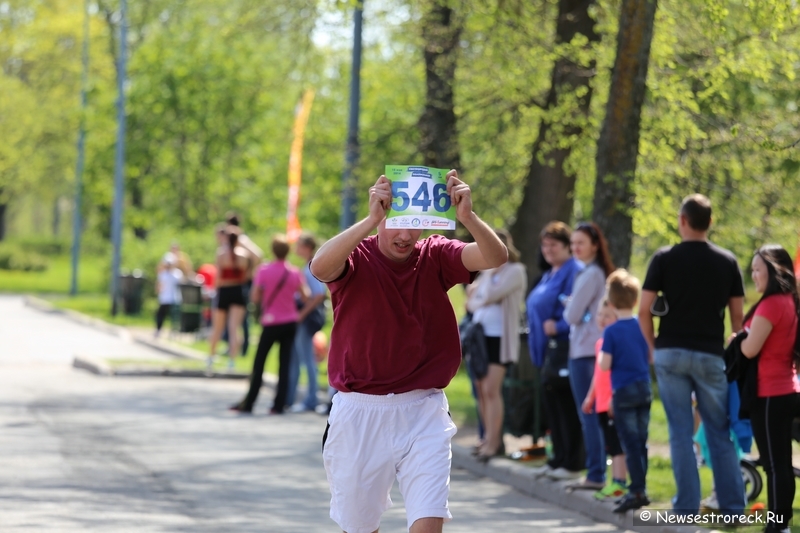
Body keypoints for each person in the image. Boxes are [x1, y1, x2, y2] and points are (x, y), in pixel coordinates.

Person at [311, 170, 507, 533]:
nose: (404, 235)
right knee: (358, 527)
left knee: (429, 522)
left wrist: (468, 218)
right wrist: (370, 219)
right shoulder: (357, 256)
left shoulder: (435, 254)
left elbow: (495, 256)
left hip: (423, 409)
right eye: (395, 224)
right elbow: (320, 268)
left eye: (413, 225)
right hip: (359, 411)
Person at [639, 194, 746, 515]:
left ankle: (685, 507)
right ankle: (732, 507)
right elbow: (738, 322)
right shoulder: (727, 261)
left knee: (680, 433)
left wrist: (653, 349)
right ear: (710, 222)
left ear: (682, 220)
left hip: (670, 352)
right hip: (710, 354)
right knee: (717, 430)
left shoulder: (663, 257)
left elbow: (644, 309)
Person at [736, 245, 800, 531]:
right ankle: (781, 524)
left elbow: (750, 350)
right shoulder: (790, 301)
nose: (754, 275)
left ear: (774, 271)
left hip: (771, 392)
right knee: (781, 464)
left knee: (775, 465)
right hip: (785, 389)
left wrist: (738, 340)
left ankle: (777, 525)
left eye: (757, 269)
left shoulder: (772, 303)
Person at [526, 221, 584, 481]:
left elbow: (579, 309)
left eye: (554, 245)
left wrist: (558, 325)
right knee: (553, 407)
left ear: (567, 246)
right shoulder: (550, 272)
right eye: (544, 244)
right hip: (545, 352)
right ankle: (557, 457)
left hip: (564, 348)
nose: (548, 250)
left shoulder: (573, 271)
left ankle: (572, 462)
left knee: (566, 406)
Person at [465, 229, 527, 462]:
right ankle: (487, 438)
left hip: (500, 339)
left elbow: (488, 295)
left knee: (492, 390)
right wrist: (476, 297)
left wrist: (489, 273)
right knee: (480, 389)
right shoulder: (485, 273)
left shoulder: (515, 271)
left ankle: (494, 442)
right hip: (480, 338)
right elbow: (470, 305)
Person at [562, 222, 615, 490]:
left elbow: (572, 316)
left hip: (584, 350)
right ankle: (600, 470)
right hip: (592, 348)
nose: (575, 248)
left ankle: (595, 473)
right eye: (572, 243)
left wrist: (570, 306)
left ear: (595, 244)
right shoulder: (596, 273)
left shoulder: (590, 274)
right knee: (595, 412)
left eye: (580, 242)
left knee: (590, 412)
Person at [230, 234, 308, 415]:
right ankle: (278, 405)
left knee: (259, 364)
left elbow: (254, 297)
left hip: (271, 321)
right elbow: (305, 296)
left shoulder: (264, 270)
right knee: (284, 364)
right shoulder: (294, 272)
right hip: (290, 321)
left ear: (273, 251)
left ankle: (250, 402)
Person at [599, 269, 652, 513]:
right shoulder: (642, 326)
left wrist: (601, 355)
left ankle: (637, 490)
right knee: (642, 440)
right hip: (644, 388)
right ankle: (642, 486)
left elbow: (605, 364)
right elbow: (649, 356)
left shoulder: (611, 331)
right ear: (635, 299)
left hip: (623, 390)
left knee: (629, 443)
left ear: (610, 301)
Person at [582, 299, 628, 501]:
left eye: (607, 316)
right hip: (600, 402)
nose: (602, 319)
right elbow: (597, 374)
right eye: (599, 315)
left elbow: (617, 374)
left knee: (617, 445)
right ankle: (614, 482)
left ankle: (620, 483)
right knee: (610, 445)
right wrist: (590, 396)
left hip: (611, 403)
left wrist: (614, 398)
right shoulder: (600, 342)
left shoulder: (616, 341)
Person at [287, 232, 328, 412]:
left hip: (307, 318)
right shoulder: (310, 265)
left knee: (308, 359)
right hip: (306, 317)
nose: (296, 249)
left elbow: (318, 294)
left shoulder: (311, 267)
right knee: (302, 358)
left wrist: (302, 313)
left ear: (307, 248)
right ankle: (299, 397)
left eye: (299, 246)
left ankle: (311, 399)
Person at [208, 225, 249, 370]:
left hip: (224, 291)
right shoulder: (243, 255)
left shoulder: (221, 254)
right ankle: (232, 361)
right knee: (234, 328)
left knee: (217, 327)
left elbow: (218, 277)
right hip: (237, 291)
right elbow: (244, 277)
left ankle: (211, 358)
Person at [225, 212, 264, 357]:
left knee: (242, 318)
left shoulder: (240, 238)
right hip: (235, 282)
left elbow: (258, 255)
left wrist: (248, 271)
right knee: (235, 319)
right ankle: (233, 346)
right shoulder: (236, 238)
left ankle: (244, 347)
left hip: (243, 281)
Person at [154, 253, 183, 337]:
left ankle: (173, 332)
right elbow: (159, 286)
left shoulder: (177, 274)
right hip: (165, 299)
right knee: (160, 315)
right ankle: (159, 330)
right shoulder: (163, 274)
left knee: (173, 317)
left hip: (174, 299)